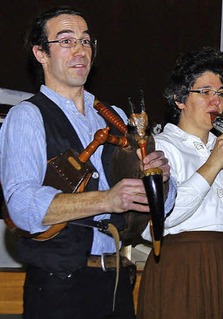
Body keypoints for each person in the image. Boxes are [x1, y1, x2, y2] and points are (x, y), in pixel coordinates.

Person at [0, 7, 176, 319]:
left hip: (117, 279)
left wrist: (159, 181)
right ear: (40, 52)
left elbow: (161, 203)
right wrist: (107, 199)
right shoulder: (27, 116)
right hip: (58, 285)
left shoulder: (117, 117)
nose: (81, 51)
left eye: (86, 41)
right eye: (66, 42)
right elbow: (22, 206)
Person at [137, 47, 223, 319]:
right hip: (181, 268)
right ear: (179, 99)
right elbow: (159, 218)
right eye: (205, 92)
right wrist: (213, 164)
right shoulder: (160, 148)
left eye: (221, 93)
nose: (216, 101)